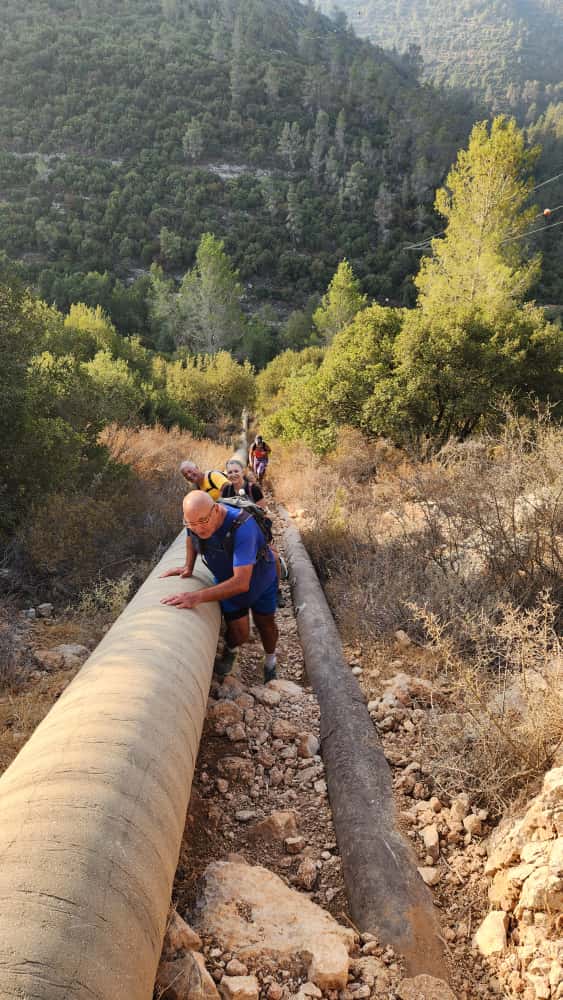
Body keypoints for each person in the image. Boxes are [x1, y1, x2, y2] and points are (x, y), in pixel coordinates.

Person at [161, 491, 279, 683]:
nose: (198, 528)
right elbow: (191, 537)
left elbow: (241, 583)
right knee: (239, 634)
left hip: (260, 582)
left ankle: (270, 662)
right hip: (226, 583)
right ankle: (231, 650)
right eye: (191, 523)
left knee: (266, 624)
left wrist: (196, 597)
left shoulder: (243, 527)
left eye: (203, 521)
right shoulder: (195, 521)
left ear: (216, 510)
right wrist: (188, 566)